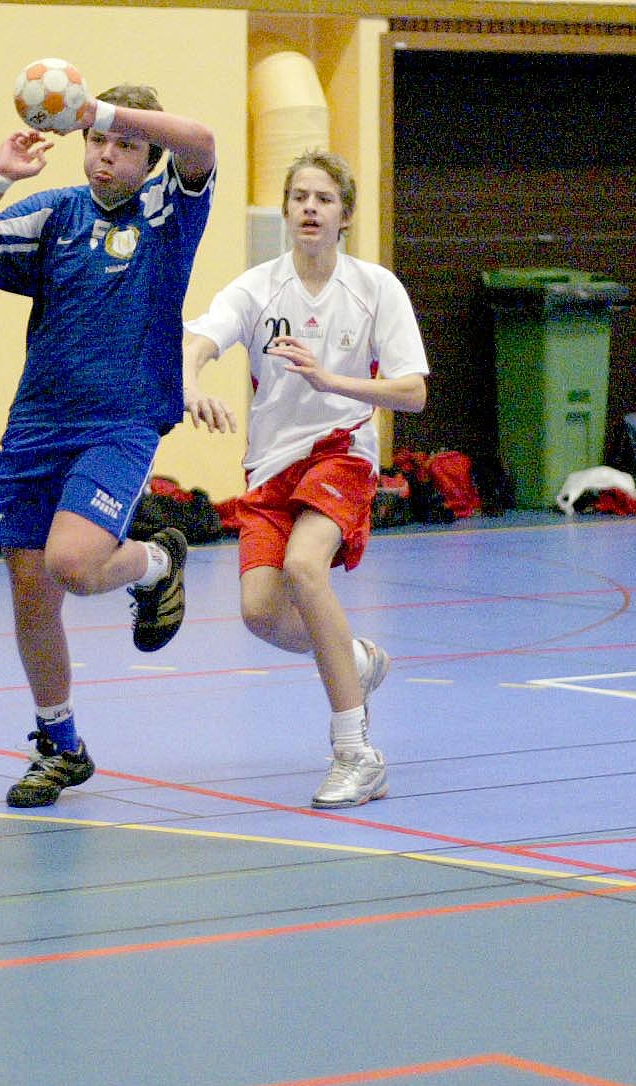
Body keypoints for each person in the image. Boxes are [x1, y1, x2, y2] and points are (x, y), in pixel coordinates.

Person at [0, 83, 221, 808]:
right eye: (96, 142)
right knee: (30, 589)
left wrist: (96, 109)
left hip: (119, 423)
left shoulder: (166, 211)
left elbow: (200, 140)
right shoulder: (54, 212)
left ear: (146, 156)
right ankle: (60, 746)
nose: (105, 155)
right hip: (35, 425)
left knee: (71, 563)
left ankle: (157, 560)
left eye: (123, 145)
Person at [182, 148, 428, 809]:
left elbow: (410, 392)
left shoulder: (376, 288)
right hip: (270, 464)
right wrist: (189, 379)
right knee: (260, 612)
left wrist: (332, 380)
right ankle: (353, 660)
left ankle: (355, 752)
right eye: (299, 198)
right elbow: (199, 337)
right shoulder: (257, 287)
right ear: (286, 210)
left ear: (345, 213)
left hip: (340, 451)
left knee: (304, 568)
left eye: (322, 198)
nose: (309, 208)